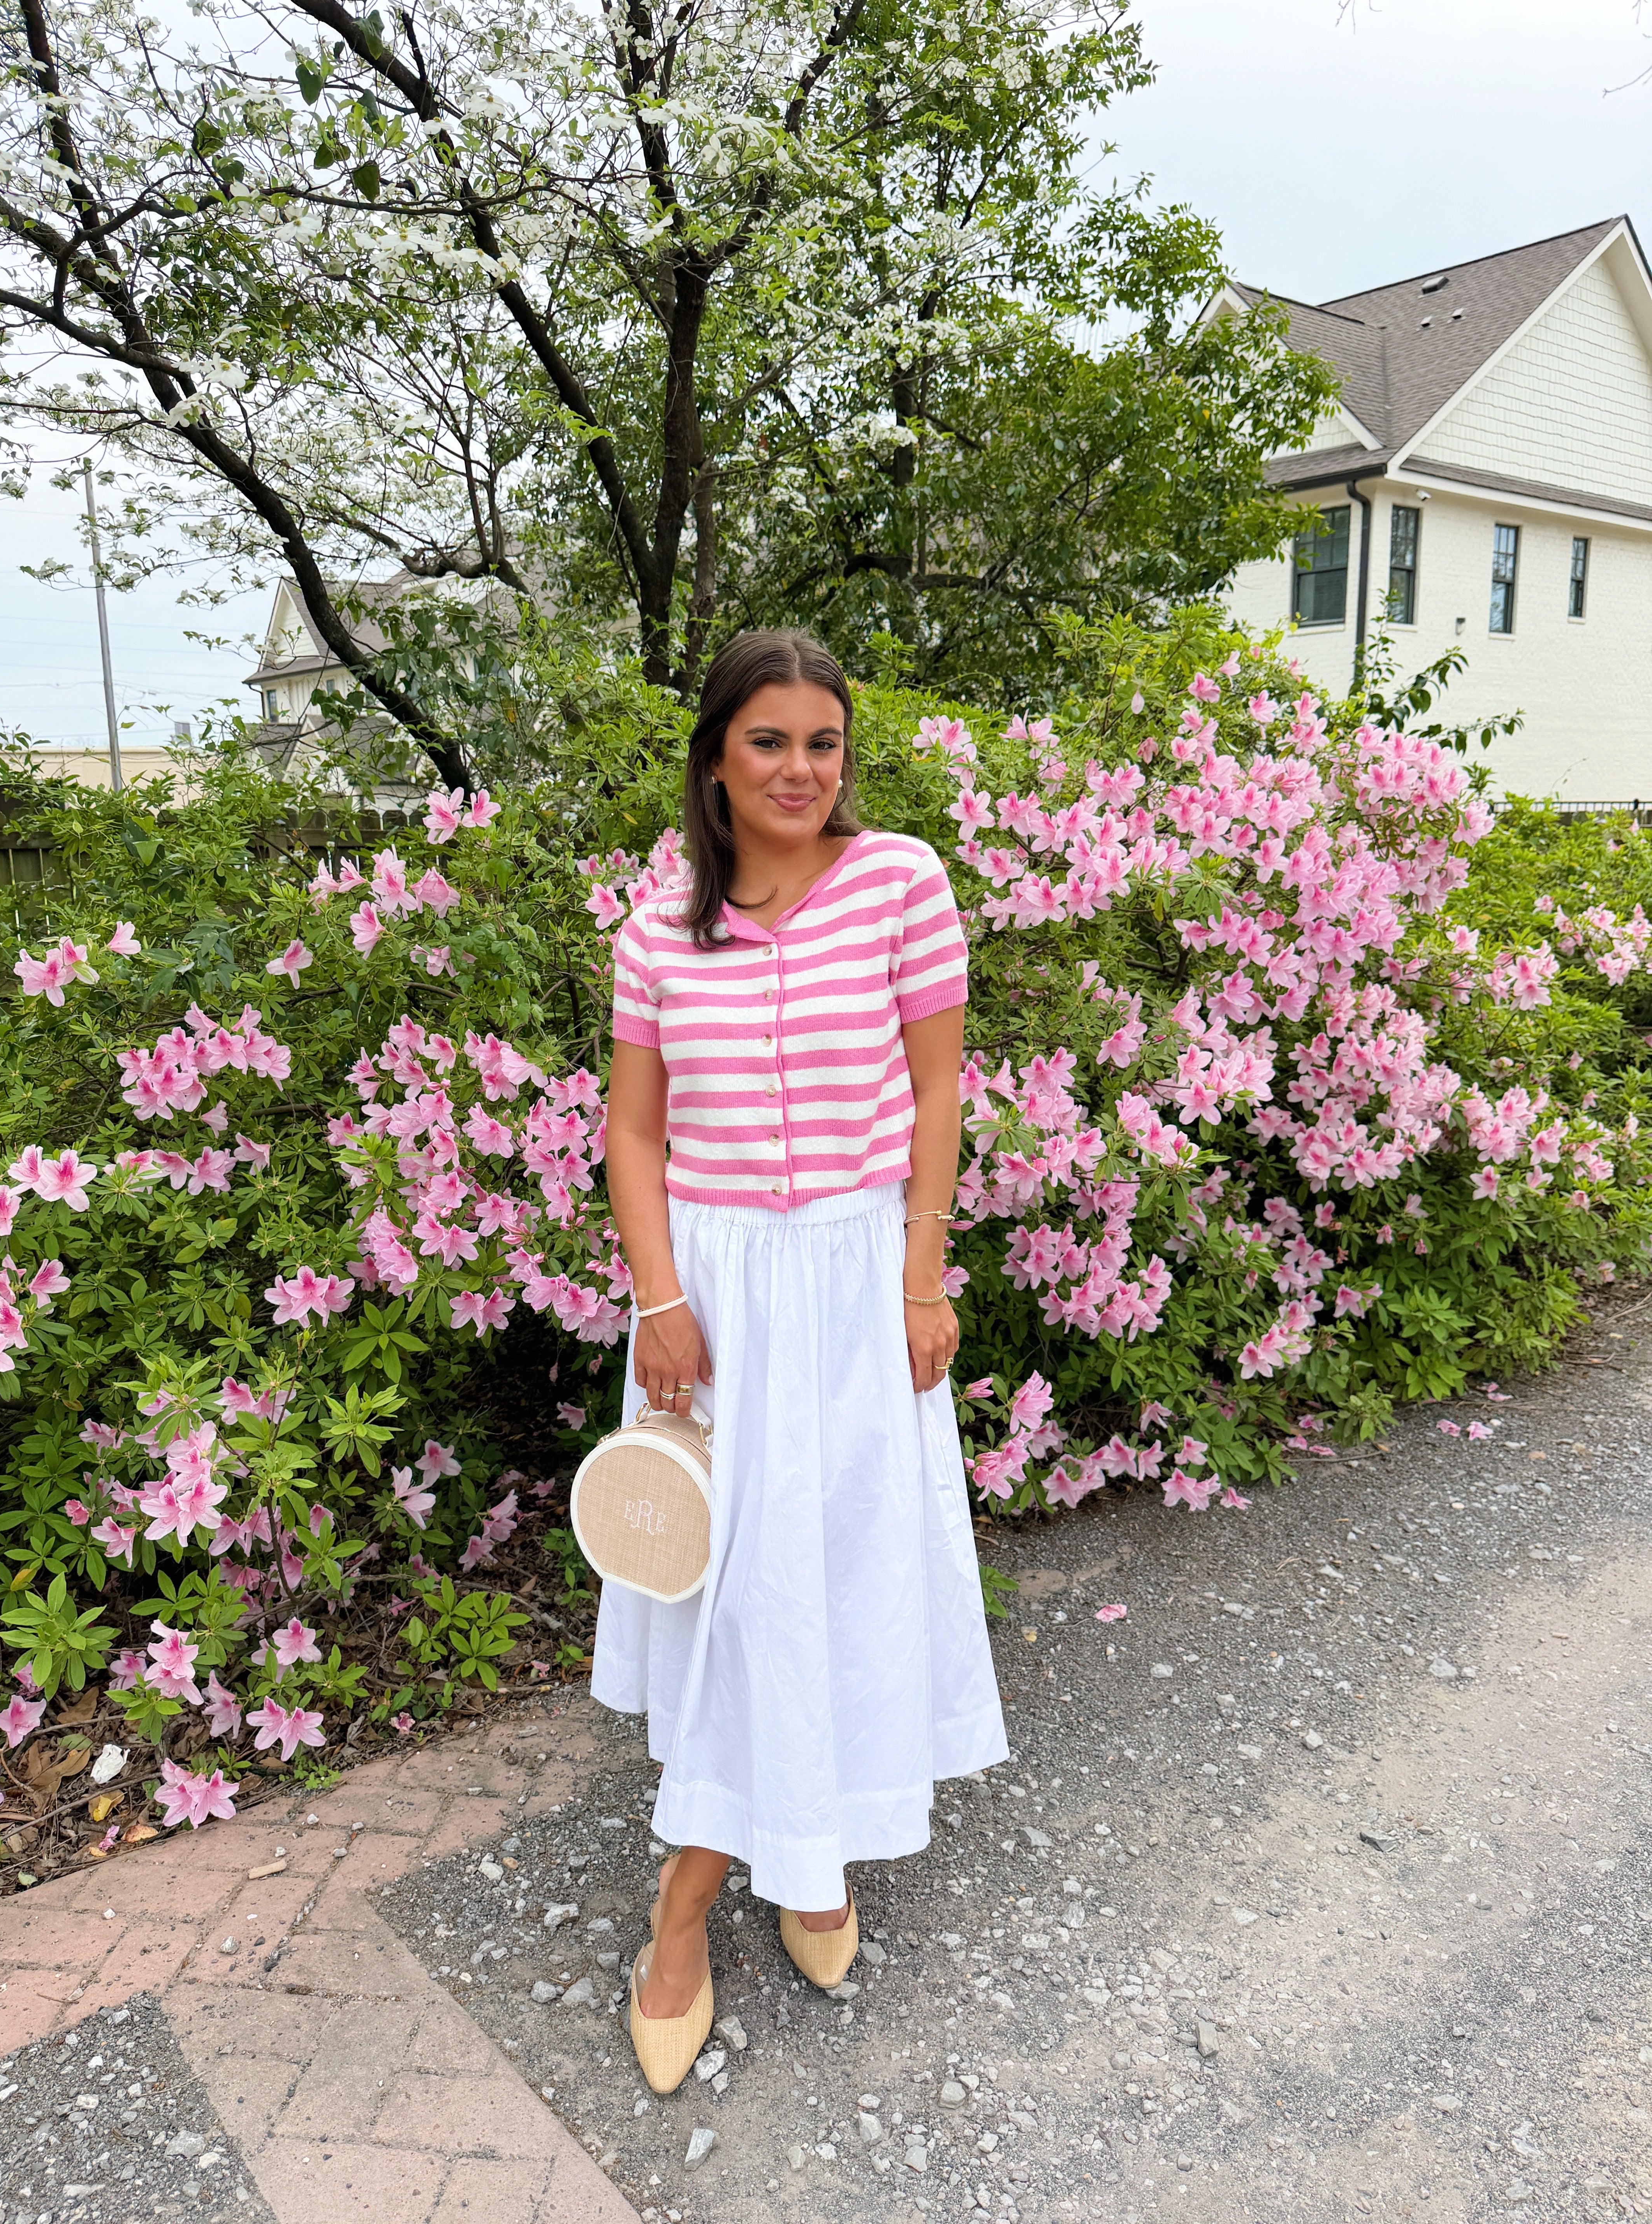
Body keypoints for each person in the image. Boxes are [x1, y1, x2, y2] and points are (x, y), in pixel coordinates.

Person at [595, 627, 1008, 2092]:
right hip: (714, 1290)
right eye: (768, 741)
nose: (798, 769)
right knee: (737, 1588)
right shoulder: (660, 931)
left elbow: (939, 1079)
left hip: (852, 1283)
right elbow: (634, 1130)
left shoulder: (898, 883)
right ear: (717, 754)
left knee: (833, 1572)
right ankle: (691, 1916)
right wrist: (658, 1300)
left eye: (822, 742)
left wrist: (918, 1276)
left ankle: (804, 1860)